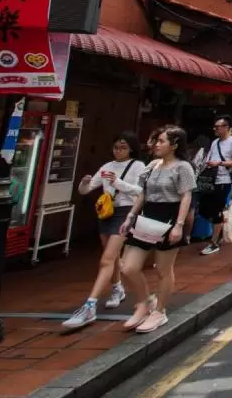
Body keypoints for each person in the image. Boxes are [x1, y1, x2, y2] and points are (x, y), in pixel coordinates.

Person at [63, 132, 146, 329]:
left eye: (123, 147)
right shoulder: (107, 166)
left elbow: (141, 192)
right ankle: (117, 288)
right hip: (106, 212)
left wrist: (118, 183)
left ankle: (90, 305)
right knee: (112, 255)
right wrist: (84, 182)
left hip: (125, 212)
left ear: (131, 148)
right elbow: (86, 190)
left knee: (106, 259)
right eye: (116, 147)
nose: (118, 151)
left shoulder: (138, 166)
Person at [119, 126, 196, 333]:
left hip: (169, 218)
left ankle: (159, 311)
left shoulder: (183, 167)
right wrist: (130, 216)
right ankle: (144, 302)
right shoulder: (153, 165)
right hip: (146, 217)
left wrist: (179, 225)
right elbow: (143, 193)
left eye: (161, 141)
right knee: (128, 267)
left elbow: (186, 196)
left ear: (175, 145)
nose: (156, 145)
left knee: (163, 270)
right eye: (157, 141)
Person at [198, 116, 232, 256]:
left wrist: (219, 164)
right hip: (211, 180)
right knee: (204, 208)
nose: (215, 129)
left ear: (227, 128)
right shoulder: (215, 142)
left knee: (216, 210)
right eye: (215, 127)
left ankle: (214, 242)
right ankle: (220, 230)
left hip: (224, 181)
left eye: (218, 127)